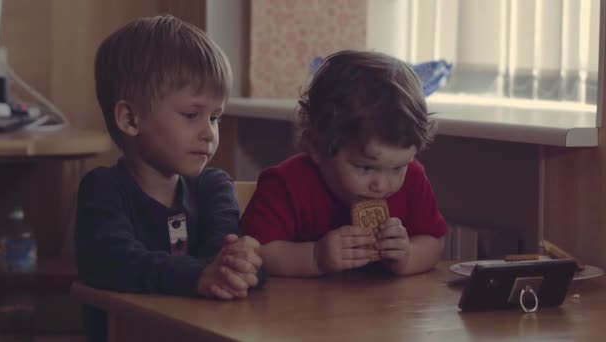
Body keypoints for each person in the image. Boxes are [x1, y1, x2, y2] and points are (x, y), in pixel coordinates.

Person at [75, 15, 264, 341]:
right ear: (131, 118)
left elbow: (222, 260)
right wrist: (198, 275)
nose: (210, 133)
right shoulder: (102, 189)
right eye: (192, 115)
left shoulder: (214, 187)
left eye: (215, 117)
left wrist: (243, 265)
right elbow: (112, 262)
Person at [241, 50, 446, 277]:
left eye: (398, 167)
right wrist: (315, 257)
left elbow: (433, 241)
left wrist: (408, 256)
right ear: (317, 146)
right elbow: (255, 252)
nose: (382, 185)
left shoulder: (413, 178)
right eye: (365, 167)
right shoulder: (286, 185)